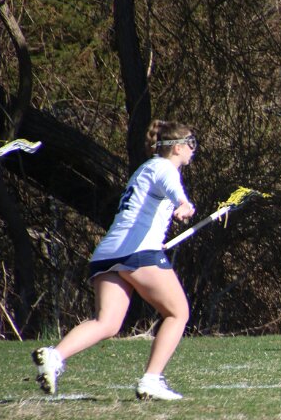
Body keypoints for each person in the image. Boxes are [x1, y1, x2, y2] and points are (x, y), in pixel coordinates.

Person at [31, 120, 198, 400]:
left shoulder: (144, 170)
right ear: (178, 147)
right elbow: (173, 189)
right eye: (191, 143)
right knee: (178, 313)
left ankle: (54, 355)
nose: (193, 150)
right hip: (137, 253)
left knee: (107, 323)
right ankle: (151, 380)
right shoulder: (164, 167)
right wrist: (183, 204)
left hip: (108, 253)